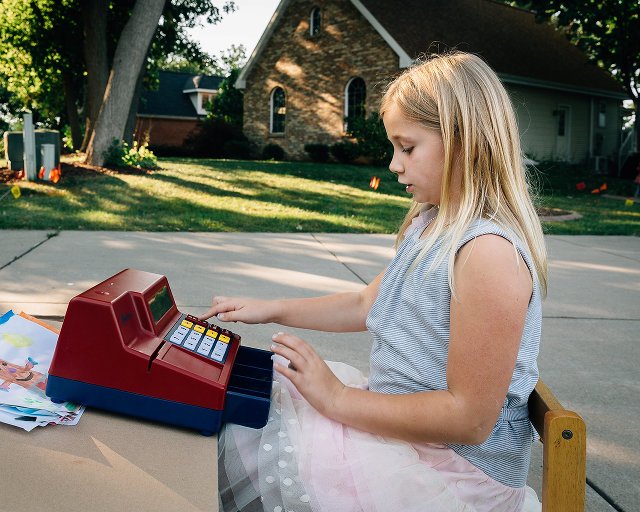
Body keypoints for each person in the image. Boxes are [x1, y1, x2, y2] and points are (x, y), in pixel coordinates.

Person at [202, 52, 547, 512]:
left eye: (407, 148)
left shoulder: (487, 253)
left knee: (255, 429)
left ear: (465, 142)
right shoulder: (432, 224)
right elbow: (367, 303)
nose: (393, 165)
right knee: (251, 401)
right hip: (400, 431)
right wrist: (269, 307)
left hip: (448, 473)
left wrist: (338, 398)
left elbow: (469, 420)